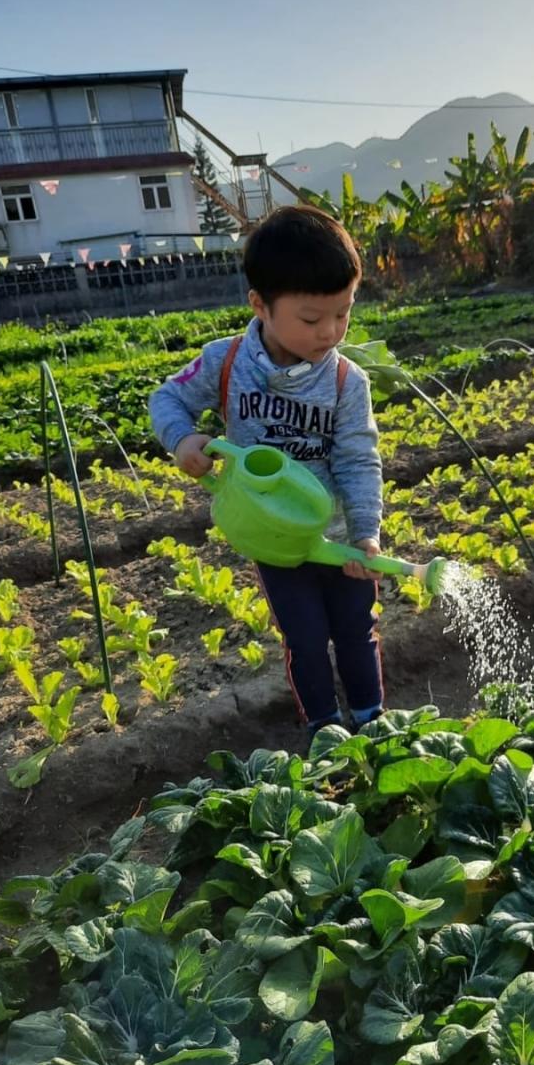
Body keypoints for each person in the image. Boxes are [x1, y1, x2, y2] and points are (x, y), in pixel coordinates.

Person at [149, 205, 384, 739]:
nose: (330, 332)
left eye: (343, 314)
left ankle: (372, 719)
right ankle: (324, 729)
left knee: (355, 628)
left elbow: (357, 457)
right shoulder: (227, 362)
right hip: (276, 540)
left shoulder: (348, 381)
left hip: (343, 539)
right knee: (303, 636)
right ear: (259, 304)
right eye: (311, 319)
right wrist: (183, 438)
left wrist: (367, 533)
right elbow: (167, 398)